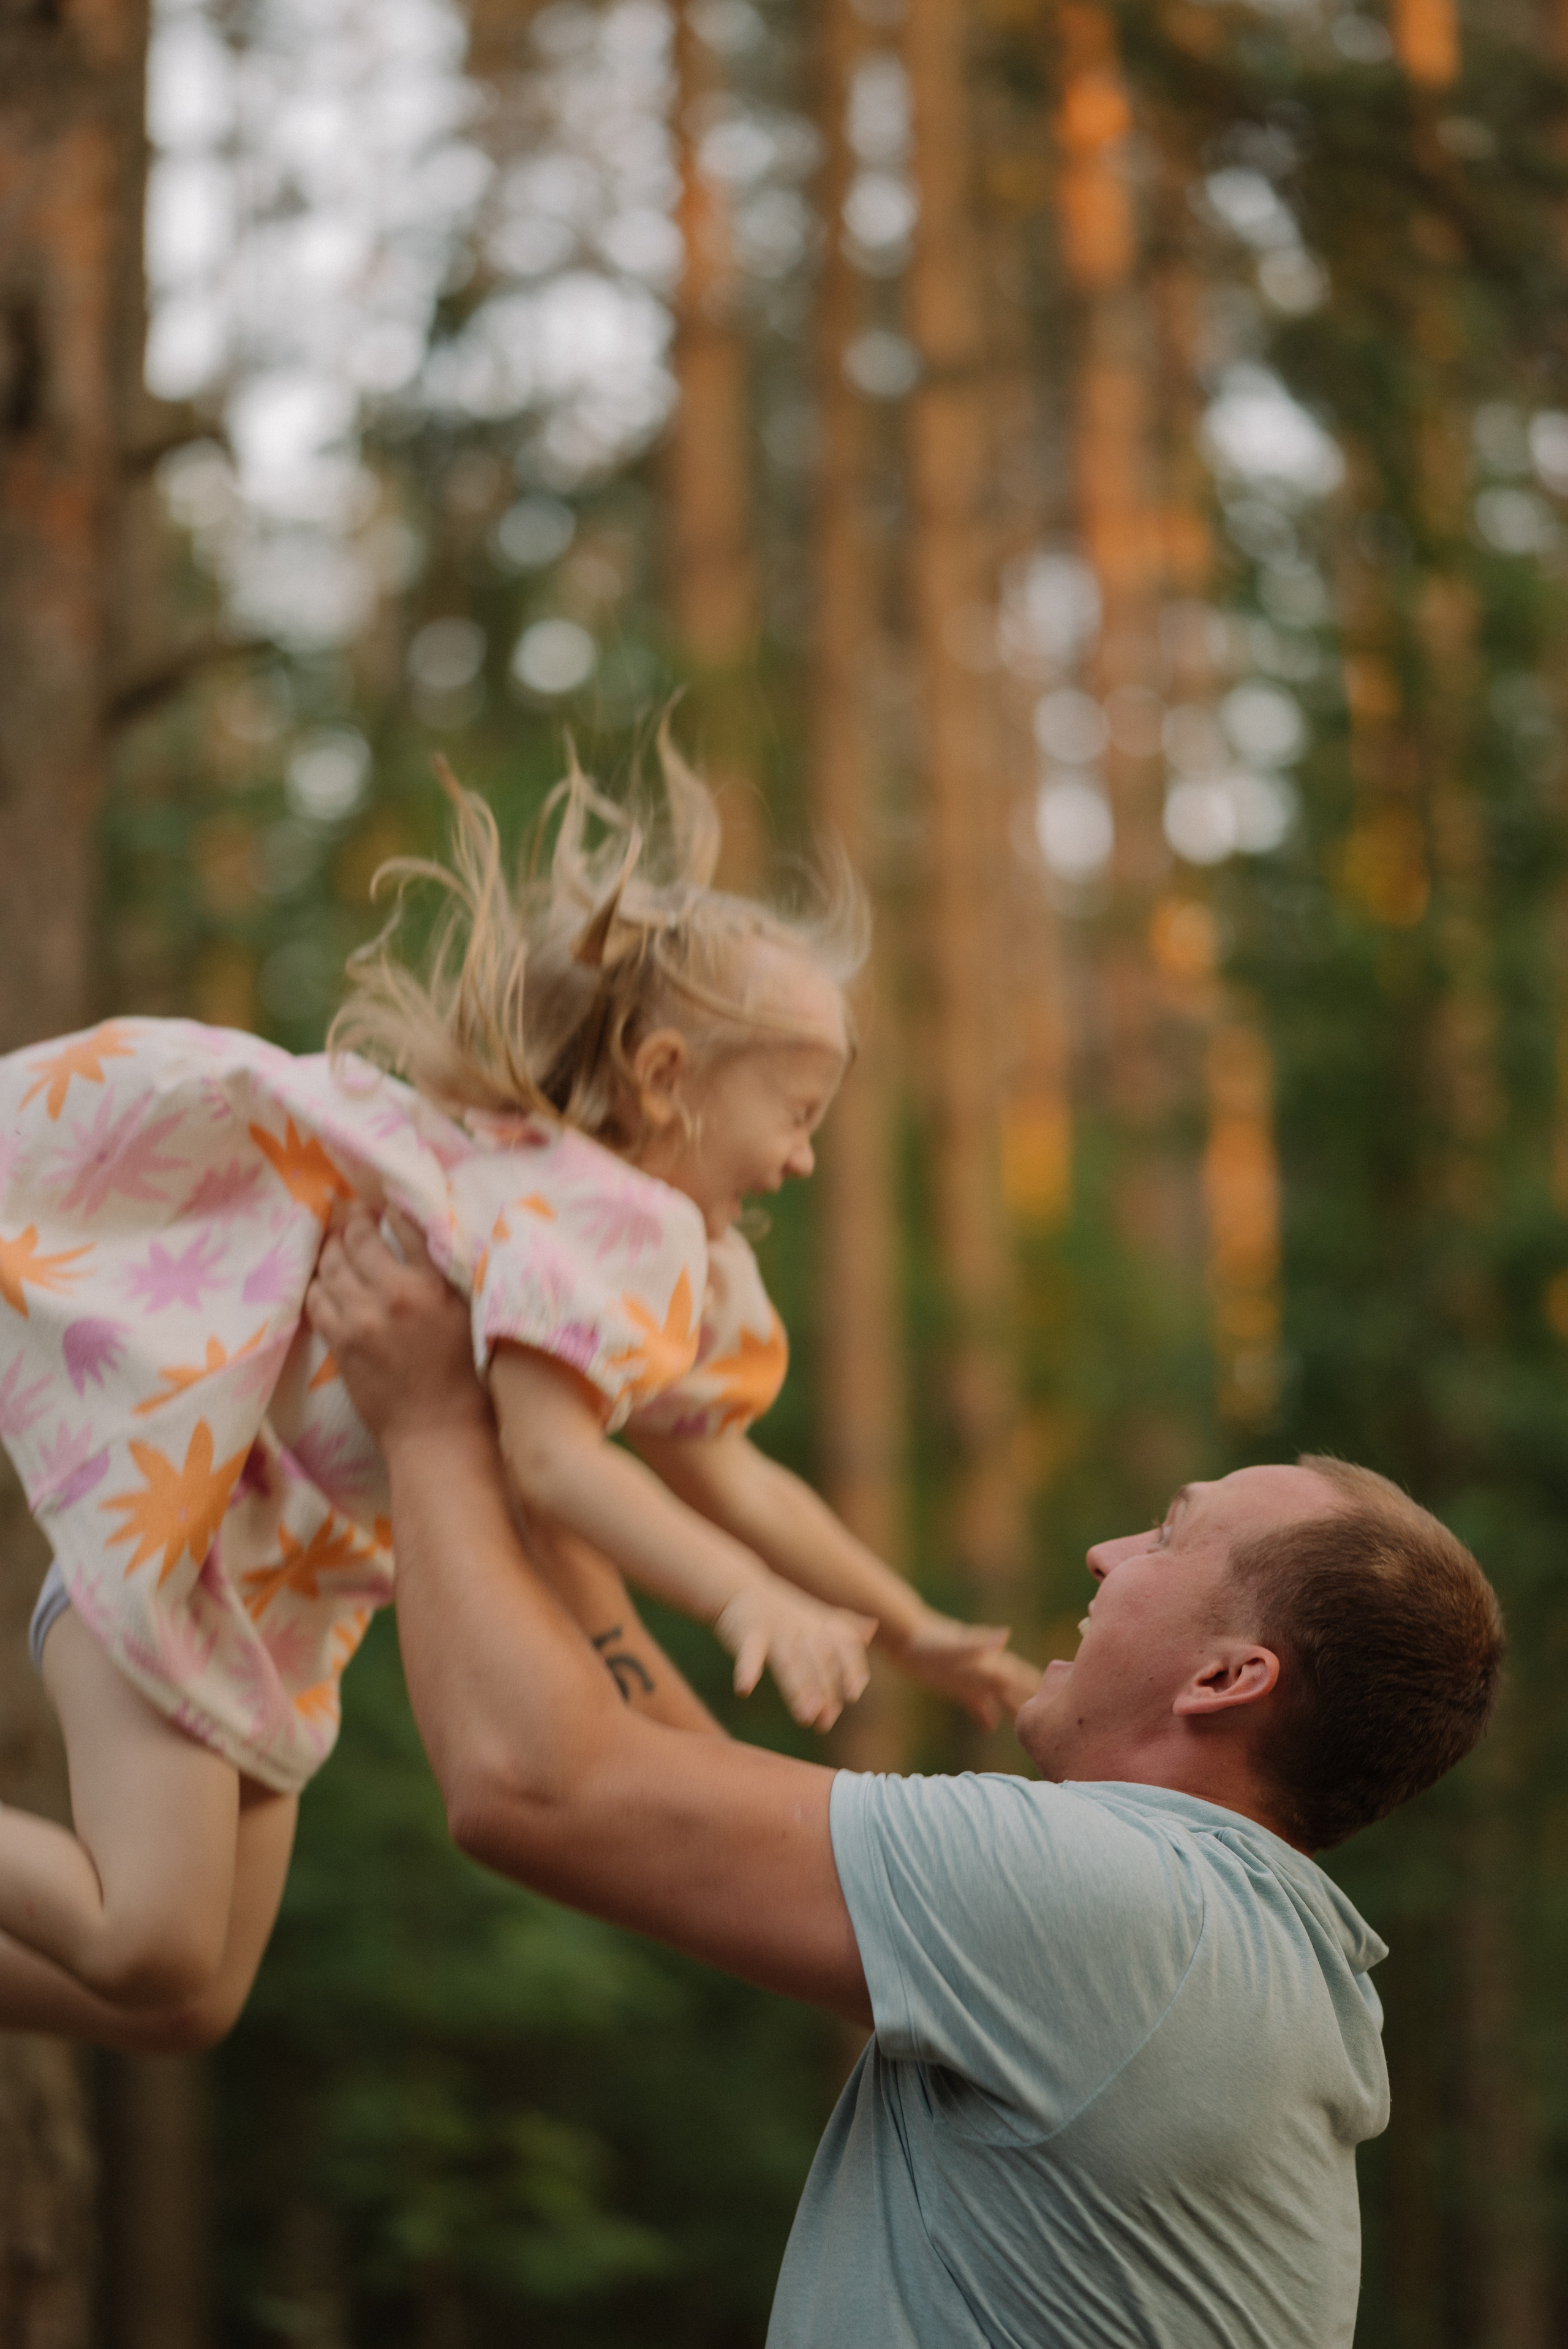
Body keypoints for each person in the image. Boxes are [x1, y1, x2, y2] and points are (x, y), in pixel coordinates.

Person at [303, 1201, 1506, 2349]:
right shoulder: (1205, 1940)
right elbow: (677, 1799)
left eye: (1165, 1534)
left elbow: (532, 1787)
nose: (1105, 1553)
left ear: (1227, 1678)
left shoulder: (1135, 1910)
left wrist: (430, 1426)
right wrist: (542, 1477)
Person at [0, 735, 1036, 2050]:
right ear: (667, 1079)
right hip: (185, 1562)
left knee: (188, 2006)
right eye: (795, 1112)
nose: (805, 1158)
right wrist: (740, 1595)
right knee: (140, 1941)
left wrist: (909, 1627)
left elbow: (735, 1472)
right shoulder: (595, 1220)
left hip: (280, 1609)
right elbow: (554, 1463)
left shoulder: (614, 1240)